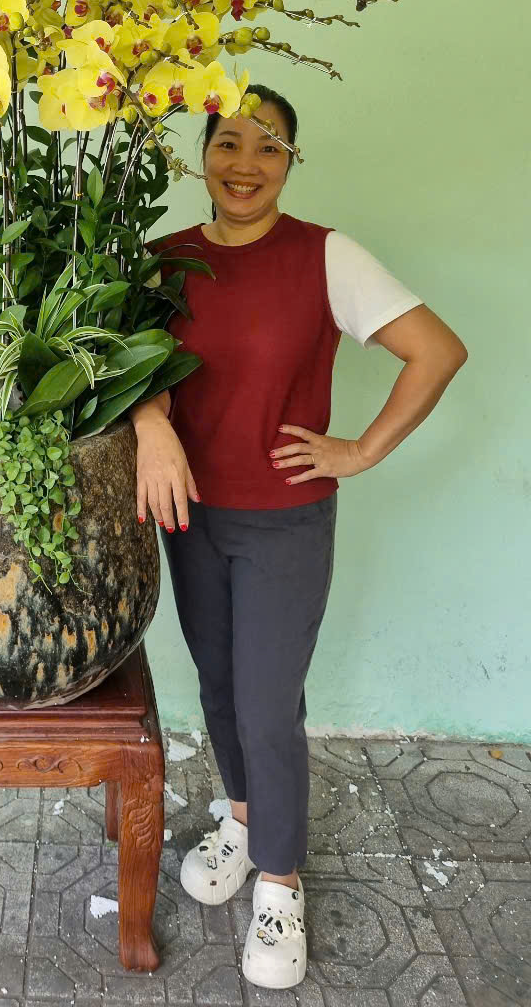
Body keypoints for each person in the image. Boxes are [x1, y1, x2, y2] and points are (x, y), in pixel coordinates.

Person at [129, 83, 468, 991]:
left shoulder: (326, 255)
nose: (245, 164)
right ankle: (244, 823)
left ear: (290, 162)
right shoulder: (164, 260)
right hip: (190, 513)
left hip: (284, 520)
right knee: (218, 684)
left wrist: (360, 450)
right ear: (202, 153)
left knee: (268, 702)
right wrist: (152, 423)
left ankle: (280, 883)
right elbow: (128, 371)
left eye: (268, 145)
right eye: (229, 142)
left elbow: (437, 351)